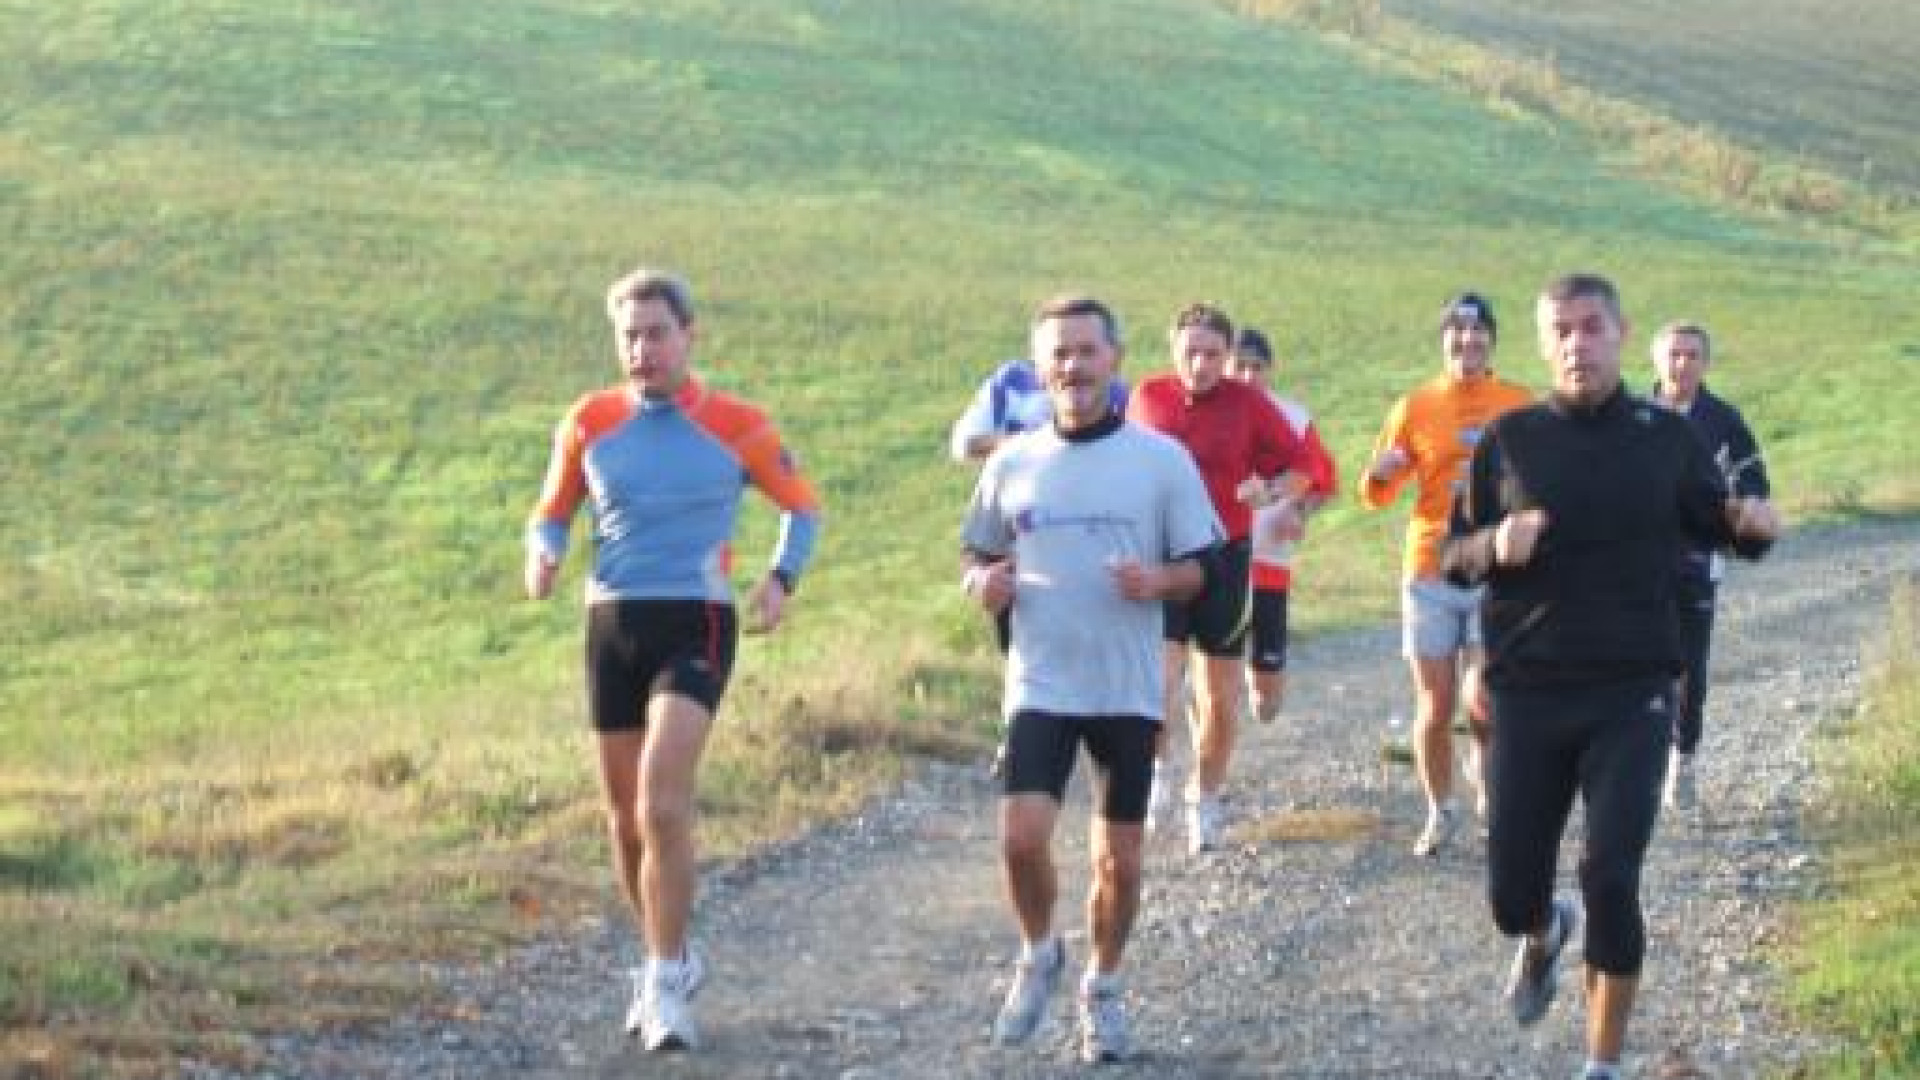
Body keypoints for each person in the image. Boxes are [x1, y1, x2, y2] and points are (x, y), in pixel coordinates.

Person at [1441, 272, 1779, 1080]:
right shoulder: (1510, 439)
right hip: (1529, 691)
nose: (1575, 343)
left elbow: (1723, 528)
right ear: (1543, 340)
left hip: (1633, 689)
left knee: (1612, 875)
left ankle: (1604, 1063)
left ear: (1622, 335)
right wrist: (1494, 546)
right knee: (1510, 895)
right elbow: (1453, 558)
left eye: (1591, 327)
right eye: (1560, 329)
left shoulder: (1664, 438)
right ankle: (1540, 932)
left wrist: (1753, 526)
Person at [523, 267, 823, 1053]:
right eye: (628, 334)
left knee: (661, 804)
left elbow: (803, 508)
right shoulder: (588, 421)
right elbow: (551, 513)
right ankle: (672, 954)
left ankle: (662, 981)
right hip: (611, 622)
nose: (642, 349)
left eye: (656, 333)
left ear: (690, 336)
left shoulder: (737, 424)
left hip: (697, 620)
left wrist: (780, 579)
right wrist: (543, 554)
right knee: (624, 821)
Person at [962, 292, 1221, 1064]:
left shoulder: (1159, 461)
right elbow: (976, 554)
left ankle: (1102, 989)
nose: (1072, 366)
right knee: (1020, 837)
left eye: (1086, 351)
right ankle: (1040, 951)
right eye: (1058, 355)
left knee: (1123, 860)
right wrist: (982, 585)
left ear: (1115, 360)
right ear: (1039, 370)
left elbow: (1206, 571)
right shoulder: (1012, 462)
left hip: (1125, 687)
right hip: (1041, 679)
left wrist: (1158, 582)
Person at [1128, 302, 1308, 854]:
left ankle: (1204, 798)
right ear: (1172, 351)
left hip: (1226, 556)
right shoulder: (1148, 397)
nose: (1200, 365)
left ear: (1227, 357)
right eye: (1191, 353)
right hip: (1163, 553)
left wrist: (1271, 493)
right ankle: (1156, 772)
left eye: (1211, 354)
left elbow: (1301, 470)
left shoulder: (1249, 403)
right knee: (1158, 681)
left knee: (1220, 698)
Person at [1357, 291, 1533, 855]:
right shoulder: (1415, 406)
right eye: (1457, 333)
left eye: (1479, 333)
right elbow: (1377, 494)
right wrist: (1378, 473)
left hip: (1492, 571)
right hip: (1429, 570)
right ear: (1443, 343)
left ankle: (1494, 796)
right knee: (1434, 705)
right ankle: (1441, 809)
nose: (1468, 342)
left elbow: (1541, 478)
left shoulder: (1517, 402)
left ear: (1492, 342)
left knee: (1483, 698)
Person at [1648, 321, 1771, 812]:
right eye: (1674, 355)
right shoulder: (1633, 413)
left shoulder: (1723, 418)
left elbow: (1754, 477)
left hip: (1699, 561)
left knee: (1689, 672)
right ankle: (1640, 763)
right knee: (1636, 664)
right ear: (1657, 360)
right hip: (1639, 561)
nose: (1682, 364)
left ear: (1705, 362)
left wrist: (1750, 506)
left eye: (1692, 355)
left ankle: (1685, 759)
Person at [1228, 326, 1338, 727]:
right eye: (1239, 366)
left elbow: (1326, 482)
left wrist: (1301, 511)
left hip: (1271, 563)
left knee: (1266, 700)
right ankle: (1204, 775)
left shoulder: (1292, 417)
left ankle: (1257, 685)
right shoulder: (1209, 413)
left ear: (1270, 369)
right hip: (1220, 565)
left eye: (1256, 367)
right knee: (1213, 687)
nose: (1247, 376)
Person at [949, 354, 1128, 463]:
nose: (1072, 364)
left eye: (1086, 350)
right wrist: (1036, 444)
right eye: (1060, 352)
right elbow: (964, 444)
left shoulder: (1115, 392)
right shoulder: (1012, 380)